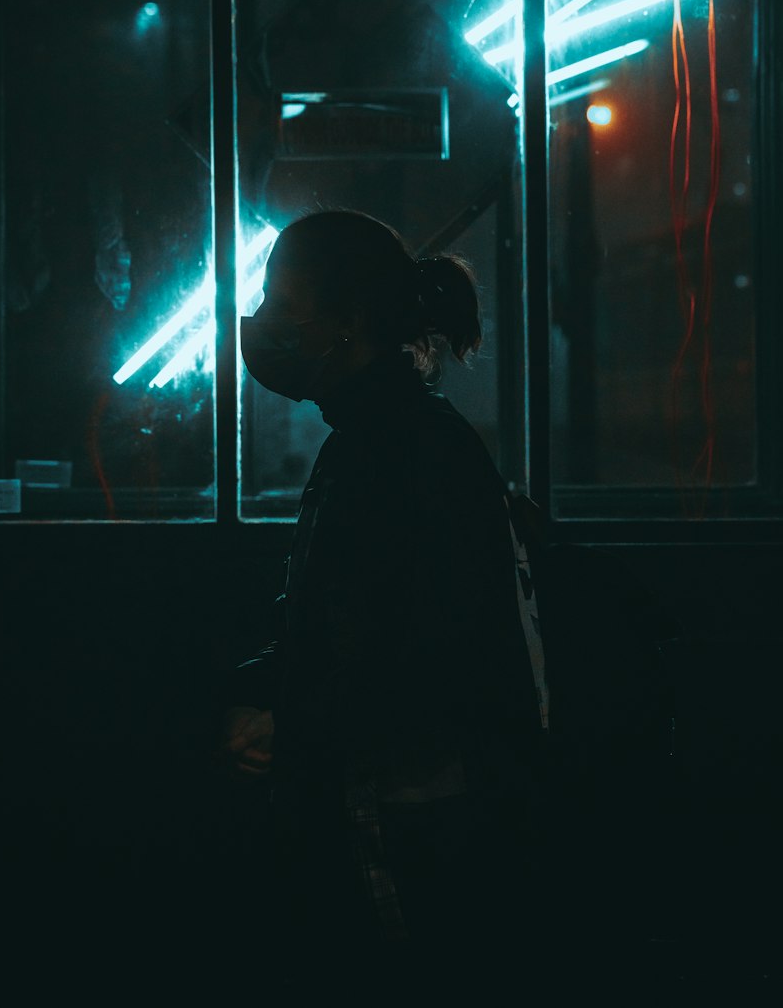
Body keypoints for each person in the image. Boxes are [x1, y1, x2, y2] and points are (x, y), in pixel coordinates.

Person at [221, 208, 550, 995]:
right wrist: (265, 690)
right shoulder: (391, 435)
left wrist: (283, 714)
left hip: (401, 816)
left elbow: (418, 645)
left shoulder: (396, 448)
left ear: (347, 323)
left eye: (281, 302)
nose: (258, 324)